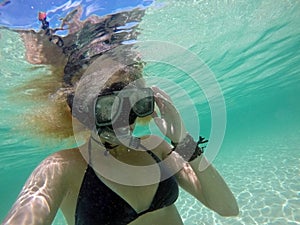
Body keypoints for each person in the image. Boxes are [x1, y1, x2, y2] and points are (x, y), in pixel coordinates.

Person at [2, 7, 239, 225]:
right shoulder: (61, 167)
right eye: (109, 108)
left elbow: (227, 207)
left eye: (137, 103)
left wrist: (183, 141)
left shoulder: (155, 148)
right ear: (80, 110)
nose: (126, 120)